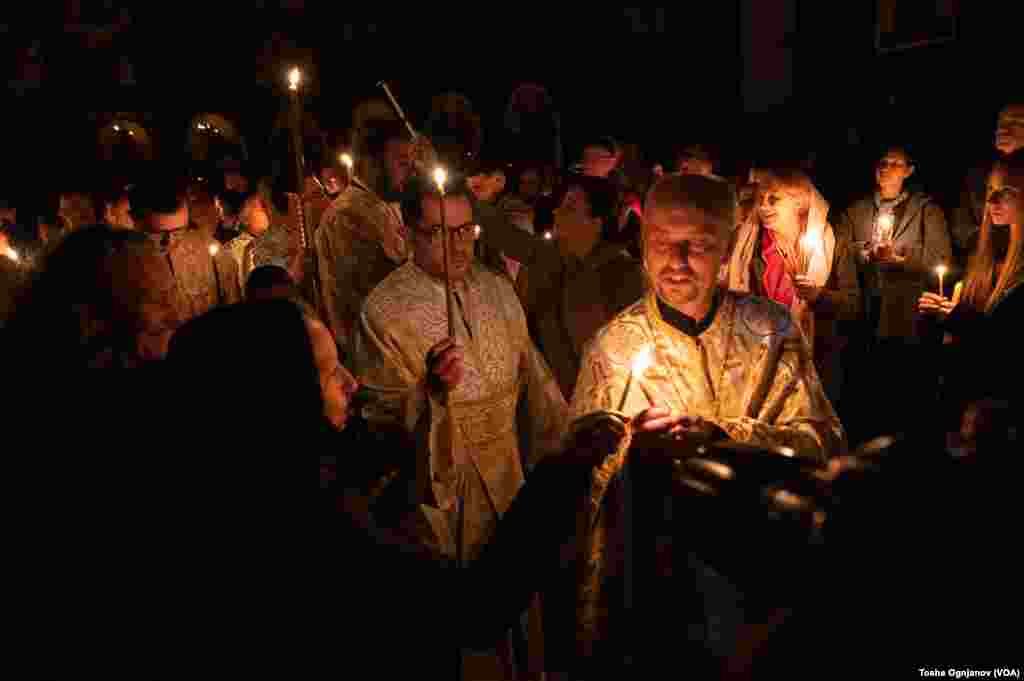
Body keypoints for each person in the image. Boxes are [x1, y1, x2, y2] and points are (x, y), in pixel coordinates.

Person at [353, 181, 567, 679]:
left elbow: (533, 379)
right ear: (408, 233)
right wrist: (428, 394)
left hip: (513, 484)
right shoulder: (382, 312)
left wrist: (568, 447)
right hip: (447, 502)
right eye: (438, 234)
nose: (457, 246)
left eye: (465, 231)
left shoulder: (496, 288)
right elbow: (379, 421)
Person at [837, 146, 951, 442]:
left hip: (906, 320)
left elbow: (940, 257)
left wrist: (901, 258)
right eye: (882, 162)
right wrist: (866, 253)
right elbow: (841, 249)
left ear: (909, 171)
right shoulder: (856, 211)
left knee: (903, 395)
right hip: (863, 318)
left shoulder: (927, 210)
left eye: (895, 164)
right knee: (864, 393)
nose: (886, 168)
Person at [723, 167, 860, 409]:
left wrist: (818, 295)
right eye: (760, 198)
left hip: (816, 360)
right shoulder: (748, 244)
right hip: (757, 362)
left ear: (799, 204)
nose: (763, 206)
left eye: (773, 199)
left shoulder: (832, 241)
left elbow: (852, 305)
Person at [514, 174, 646, 398]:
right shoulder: (547, 263)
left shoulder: (624, 275)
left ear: (597, 222)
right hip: (549, 404)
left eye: (570, 207)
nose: (556, 213)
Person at [918, 156, 1024, 426]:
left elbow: (1008, 347)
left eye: (1007, 192)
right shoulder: (986, 256)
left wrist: (958, 318)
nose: (992, 201)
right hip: (961, 404)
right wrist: (942, 316)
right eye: (990, 190)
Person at [315, 120, 421, 354]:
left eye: (412, 162)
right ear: (371, 163)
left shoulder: (384, 205)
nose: (412, 171)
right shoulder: (347, 215)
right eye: (403, 162)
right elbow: (377, 295)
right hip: (370, 356)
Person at [128, 170, 241, 320]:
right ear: (134, 220)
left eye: (178, 231)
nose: (169, 242)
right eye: (158, 234)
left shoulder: (212, 255)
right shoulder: (121, 264)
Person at [950, 101, 1024, 257]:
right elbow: (961, 225)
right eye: (1002, 122)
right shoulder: (977, 171)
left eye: (1015, 121)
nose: (1004, 128)